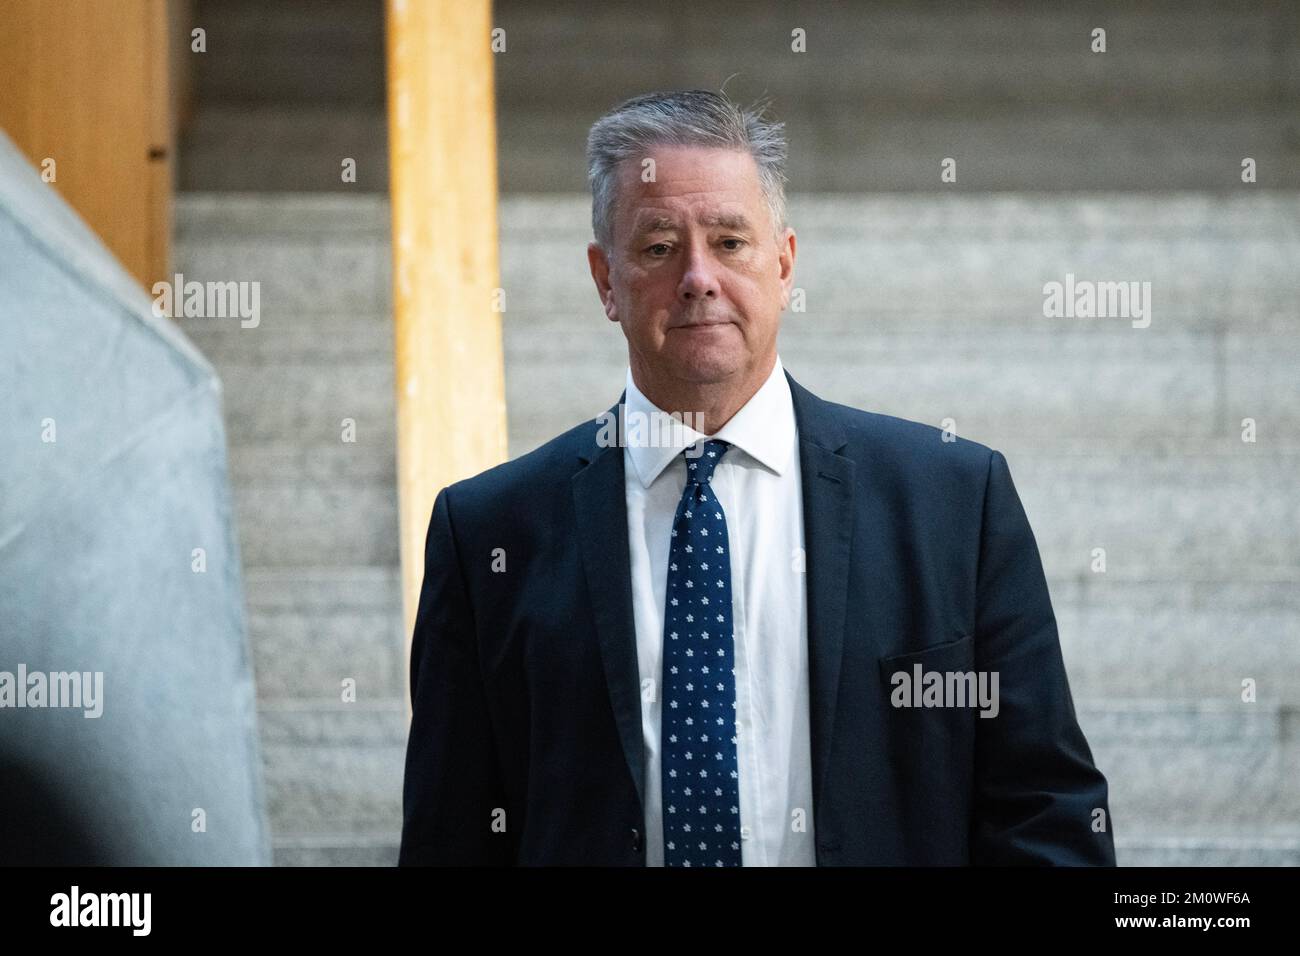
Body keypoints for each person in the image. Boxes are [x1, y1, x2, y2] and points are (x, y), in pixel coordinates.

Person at [398, 89, 1115, 866]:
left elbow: (1046, 814)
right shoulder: (490, 534)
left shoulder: (952, 503)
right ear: (606, 280)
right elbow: (451, 836)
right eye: (659, 247)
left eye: (731, 242)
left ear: (784, 262)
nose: (699, 277)